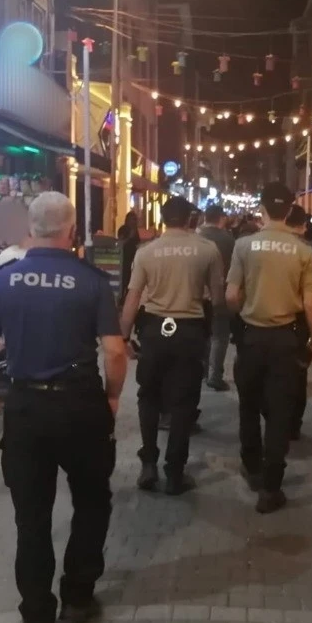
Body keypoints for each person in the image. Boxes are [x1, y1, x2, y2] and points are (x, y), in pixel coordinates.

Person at [0, 192, 127, 623]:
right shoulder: (92, 281)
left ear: (30, 228)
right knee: (92, 502)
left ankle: (38, 616)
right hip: (81, 406)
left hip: (26, 410)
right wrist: (112, 398)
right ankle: (78, 595)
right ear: (72, 230)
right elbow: (115, 352)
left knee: (32, 516)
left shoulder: (2, 281)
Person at [226, 182, 312, 514]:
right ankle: (271, 486)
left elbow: (231, 295)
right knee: (280, 412)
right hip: (286, 339)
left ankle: (251, 467)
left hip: (252, 337)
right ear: (290, 209)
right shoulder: (302, 250)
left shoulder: (244, 245)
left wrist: (243, 314)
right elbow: (310, 301)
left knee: (249, 406)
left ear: (262, 209)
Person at [121, 196, 224, 495]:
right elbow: (218, 298)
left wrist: (124, 337)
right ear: (190, 218)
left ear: (164, 219)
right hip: (189, 331)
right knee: (183, 403)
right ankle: (175, 472)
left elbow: (132, 297)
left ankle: (148, 463)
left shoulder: (145, 252)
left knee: (148, 396)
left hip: (155, 330)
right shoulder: (207, 250)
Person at [285, 204, 312, 440]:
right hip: (299, 325)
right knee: (298, 376)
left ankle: (275, 421)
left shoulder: (257, 247)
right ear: (303, 226)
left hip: (267, 324)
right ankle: (293, 425)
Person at [199, 204, 235, 391]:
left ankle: (203, 371)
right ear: (221, 218)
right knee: (220, 335)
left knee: (203, 334)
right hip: (220, 292)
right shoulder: (228, 239)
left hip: (196, 294)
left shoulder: (195, 236)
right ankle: (215, 375)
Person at [118, 210, 141, 304]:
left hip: (133, 259)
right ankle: (121, 299)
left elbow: (137, 243)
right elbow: (120, 243)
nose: (134, 222)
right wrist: (129, 237)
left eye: (135, 220)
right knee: (123, 280)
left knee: (131, 281)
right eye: (132, 219)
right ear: (127, 220)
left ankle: (127, 299)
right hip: (124, 259)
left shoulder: (135, 231)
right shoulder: (123, 229)